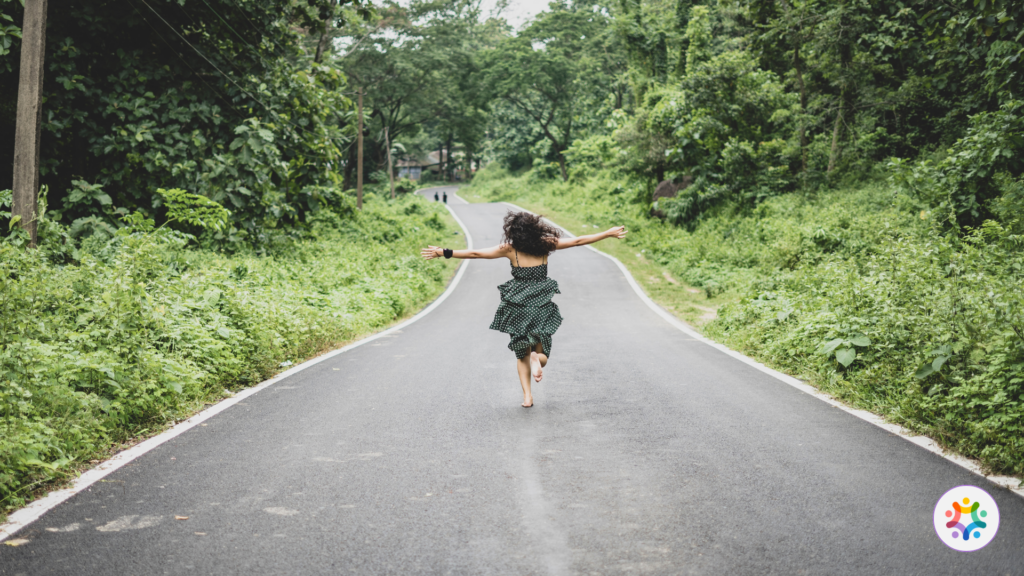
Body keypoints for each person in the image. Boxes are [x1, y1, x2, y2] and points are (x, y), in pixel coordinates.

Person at [422, 211, 627, 407]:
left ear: (513, 231)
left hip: (518, 304)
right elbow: (579, 240)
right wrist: (607, 233)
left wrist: (444, 252)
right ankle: (538, 358)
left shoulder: (509, 249)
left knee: (522, 355)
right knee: (542, 350)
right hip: (541, 303)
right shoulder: (546, 244)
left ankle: (527, 396)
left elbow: (476, 253)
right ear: (536, 228)